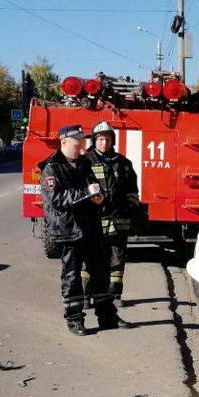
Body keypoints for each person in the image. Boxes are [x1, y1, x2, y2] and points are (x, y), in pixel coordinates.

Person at [40, 124, 126, 335]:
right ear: (64, 142)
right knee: (72, 278)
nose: (81, 148)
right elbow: (57, 199)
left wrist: (99, 198)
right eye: (77, 143)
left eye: (82, 143)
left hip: (91, 228)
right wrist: (86, 193)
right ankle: (75, 320)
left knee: (101, 273)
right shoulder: (52, 168)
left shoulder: (84, 164)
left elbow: (94, 188)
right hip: (69, 231)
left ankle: (107, 317)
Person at [87, 121, 140, 307]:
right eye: (100, 139)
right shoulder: (85, 162)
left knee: (118, 258)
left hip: (118, 220)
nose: (104, 143)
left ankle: (114, 296)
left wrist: (129, 209)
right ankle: (87, 296)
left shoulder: (123, 163)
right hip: (93, 221)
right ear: (94, 141)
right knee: (90, 259)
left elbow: (133, 191)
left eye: (107, 139)